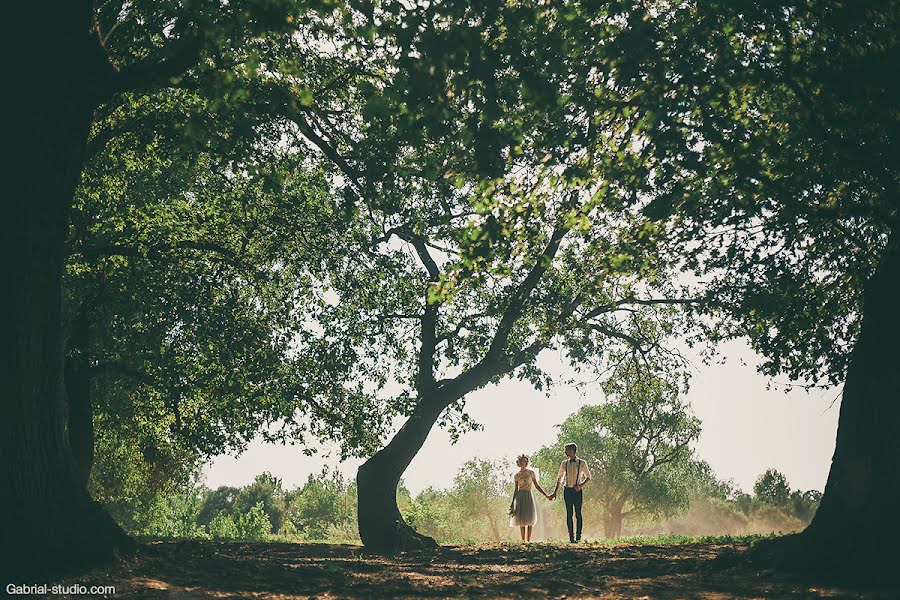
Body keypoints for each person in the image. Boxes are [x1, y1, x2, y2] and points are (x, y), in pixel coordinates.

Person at [550, 442, 592, 543]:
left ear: (572, 450)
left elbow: (589, 477)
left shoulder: (582, 463)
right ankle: (571, 537)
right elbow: (559, 478)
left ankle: (578, 537)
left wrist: (580, 485)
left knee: (578, 513)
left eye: (567, 450)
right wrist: (555, 492)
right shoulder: (564, 463)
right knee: (569, 514)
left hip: (577, 491)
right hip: (567, 491)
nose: (565, 452)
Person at [508, 454, 550, 541]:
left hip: (528, 495)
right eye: (523, 461)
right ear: (519, 463)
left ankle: (528, 540)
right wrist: (512, 502)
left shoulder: (531, 473)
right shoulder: (517, 475)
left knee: (529, 518)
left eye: (527, 461)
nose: (526, 463)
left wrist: (545, 494)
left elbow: (537, 486)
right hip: (520, 497)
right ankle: (523, 540)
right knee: (521, 520)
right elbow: (516, 489)